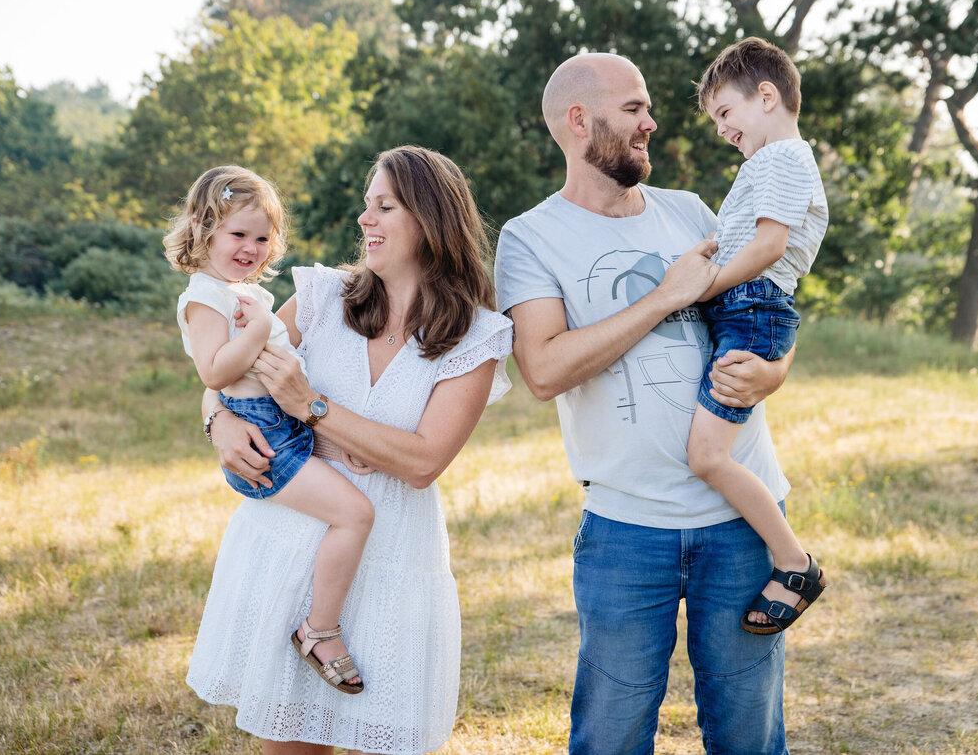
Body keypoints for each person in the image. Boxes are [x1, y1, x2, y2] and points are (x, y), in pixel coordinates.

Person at [493, 53, 795, 754]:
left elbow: (765, 304)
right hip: (627, 531)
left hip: (741, 525)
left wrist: (775, 373)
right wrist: (665, 296)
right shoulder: (530, 237)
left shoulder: (688, 211)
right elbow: (541, 370)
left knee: (750, 733)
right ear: (579, 120)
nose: (651, 122)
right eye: (633, 108)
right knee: (611, 736)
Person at [187, 146, 513, 755]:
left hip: (393, 557)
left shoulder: (477, 335)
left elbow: (421, 462)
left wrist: (313, 407)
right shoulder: (323, 298)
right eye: (366, 206)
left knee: (379, 738)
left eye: (384, 206)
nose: (365, 219)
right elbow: (227, 376)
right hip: (292, 544)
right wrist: (218, 425)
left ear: (430, 219)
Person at [166, 165, 373, 694]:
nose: (251, 247)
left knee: (349, 499)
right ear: (202, 228)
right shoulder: (205, 297)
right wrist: (258, 328)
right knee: (354, 514)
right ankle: (318, 631)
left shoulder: (239, 291)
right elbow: (214, 372)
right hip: (264, 432)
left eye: (262, 237)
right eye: (237, 234)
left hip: (282, 418)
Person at [687, 37, 829, 635]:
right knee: (708, 450)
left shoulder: (782, 160)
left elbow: (769, 247)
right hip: (746, 307)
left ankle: (794, 564)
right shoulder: (770, 164)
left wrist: (699, 286)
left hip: (753, 309)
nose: (722, 129)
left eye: (726, 113)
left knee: (707, 455)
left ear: (766, 97)